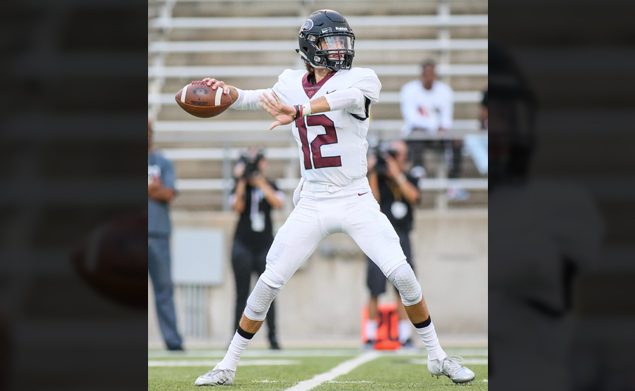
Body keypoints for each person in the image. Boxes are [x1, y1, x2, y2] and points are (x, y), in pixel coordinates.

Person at [194, 9, 474, 386]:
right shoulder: (290, 82)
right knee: (269, 282)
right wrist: (224, 93)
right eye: (332, 42)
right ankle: (227, 364)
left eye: (344, 41)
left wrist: (300, 109)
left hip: (355, 196)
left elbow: (342, 99)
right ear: (310, 48)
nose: (341, 49)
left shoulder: (362, 78)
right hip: (312, 199)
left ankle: (437, 356)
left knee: (403, 275)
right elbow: (253, 98)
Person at [365, 140, 420, 349]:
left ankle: (405, 336)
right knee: (375, 287)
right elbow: (372, 202)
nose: (392, 158)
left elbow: (413, 197)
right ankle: (370, 336)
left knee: (404, 288)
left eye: (396, 154)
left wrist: (396, 173)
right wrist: (373, 173)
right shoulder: (377, 177)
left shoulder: (411, 176)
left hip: (402, 235)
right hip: (379, 236)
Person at [229, 148, 285, 350]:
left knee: (268, 293)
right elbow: (237, 207)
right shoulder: (238, 185)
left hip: (264, 246)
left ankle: (273, 337)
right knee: (241, 294)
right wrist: (242, 181)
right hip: (243, 244)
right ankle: (234, 338)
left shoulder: (269, 184)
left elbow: (278, 203)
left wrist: (260, 182)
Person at [400, 60, 468, 200]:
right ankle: (418, 169)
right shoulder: (409, 90)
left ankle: (454, 181)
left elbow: (447, 118)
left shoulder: (445, 91)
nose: (429, 78)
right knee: (417, 133)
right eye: (426, 75)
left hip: (438, 134)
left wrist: (440, 128)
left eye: (432, 75)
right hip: (417, 134)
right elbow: (411, 118)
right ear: (422, 75)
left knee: (457, 140)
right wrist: (434, 126)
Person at [148, 120, 184, 351]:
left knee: (164, 289)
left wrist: (156, 191)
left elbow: (168, 192)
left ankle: (173, 341)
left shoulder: (162, 161)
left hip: (158, 232)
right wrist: (151, 189)